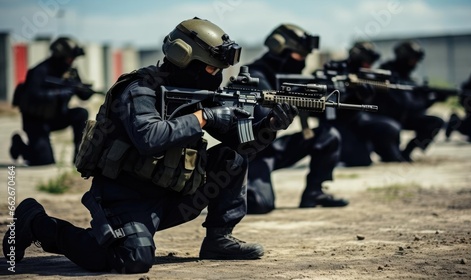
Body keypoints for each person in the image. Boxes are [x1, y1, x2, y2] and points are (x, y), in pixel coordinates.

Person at [3, 18, 298, 274]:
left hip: (174, 194)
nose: (217, 77)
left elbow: (241, 144)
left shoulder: (201, 93)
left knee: (231, 158)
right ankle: (36, 222)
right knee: (130, 260)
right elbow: (149, 138)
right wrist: (204, 117)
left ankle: (219, 239)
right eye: (211, 69)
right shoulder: (139, 89)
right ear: (184, 57)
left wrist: (269, 127)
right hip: (127, 196)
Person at [243, 23, 349, 214]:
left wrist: (336, 93)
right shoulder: (253, 75)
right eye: (299, 55)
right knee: (259, 204)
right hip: (253, 153)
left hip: (275, 148)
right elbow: (263, 119)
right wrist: (298, 94)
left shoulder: (293, 77)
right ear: (279, 49)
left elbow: (324, 113)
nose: (302, 61)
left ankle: (314, 192)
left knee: (328, 136)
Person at [10, 37, 95, 166]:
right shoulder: (39, 71)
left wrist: (86, 92)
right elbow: (33, 95)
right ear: (59, 56)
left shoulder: (70, 72)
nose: (71, 61)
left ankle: (79, 155)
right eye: (69, 57)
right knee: (44, 162)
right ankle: (19, 145)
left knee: (81, 113)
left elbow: (81, 95)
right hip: (36, 121)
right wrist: (58, 93)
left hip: (56, 117)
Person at [327, 41, 406, 166]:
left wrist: (362, 94)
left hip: (358, 118)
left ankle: (389, 155)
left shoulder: (364, 76)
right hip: (337, 123)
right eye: (366, 61)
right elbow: (328, 105)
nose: (368, 65)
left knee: (390, 128)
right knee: (360, 161)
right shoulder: (336, 70)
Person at [374, 40, 444, 161]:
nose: (415, 64)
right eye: (412, 60)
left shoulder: (408, 77)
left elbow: (414, 108)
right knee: (392, 159)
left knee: (435, 122)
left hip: (404, 118)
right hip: (387, 121)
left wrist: (431, 99)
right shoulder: (386, 73)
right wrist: (427, 100)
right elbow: (404, 104)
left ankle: (408, 151)